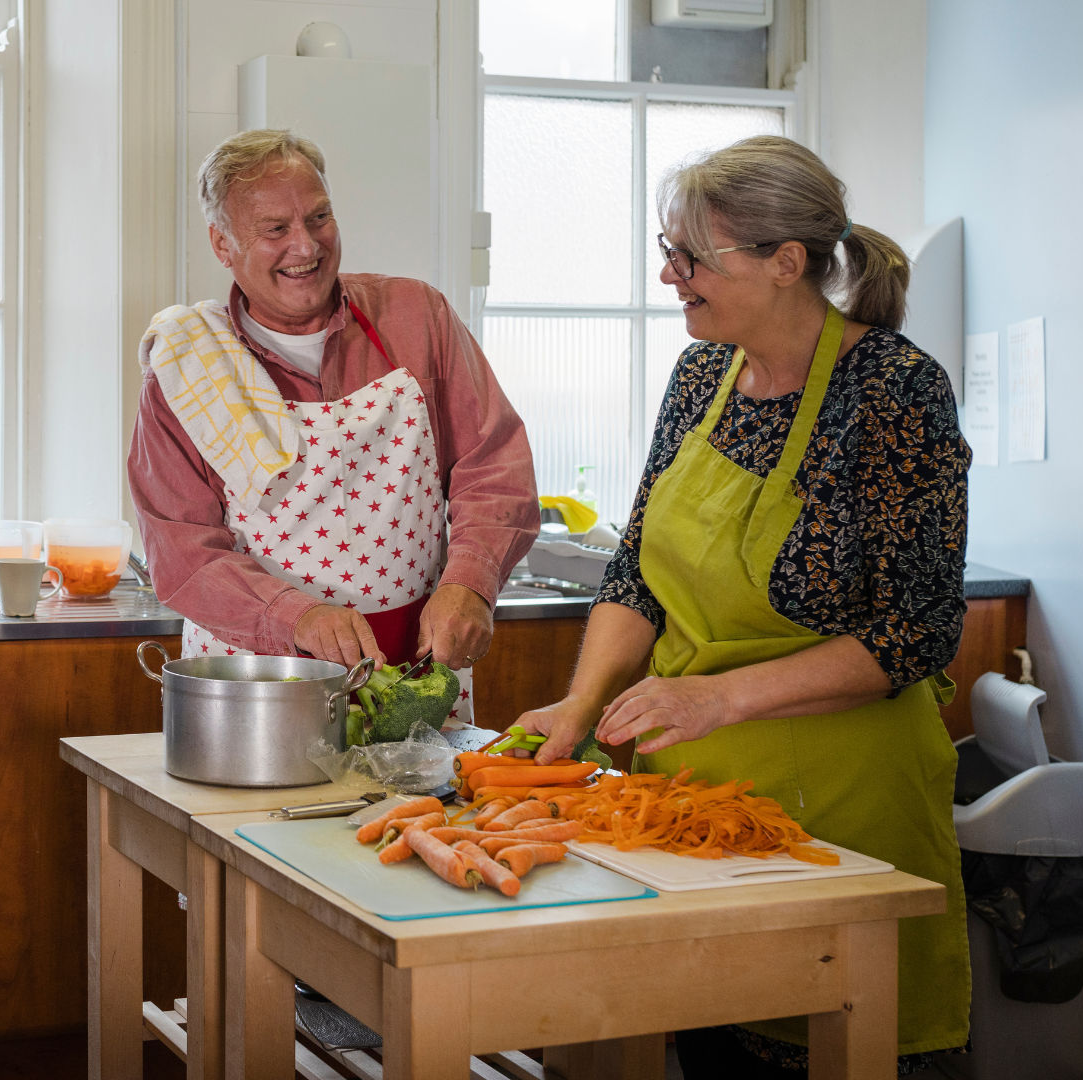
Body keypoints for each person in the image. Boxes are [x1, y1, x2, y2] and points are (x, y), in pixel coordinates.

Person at [520, 136, 971, 1077]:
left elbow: (914, 632)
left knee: (840, 1044)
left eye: (691, 256)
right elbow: (638, 571)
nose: (668, 274)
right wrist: (578, 703)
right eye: (668, 248)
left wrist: (715, 699)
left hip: (846, 807)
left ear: (785, 263)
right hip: (688, 803)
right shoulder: (701, 378)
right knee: (712, 1042)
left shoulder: (893, 391)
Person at [128, 129, 537, 710]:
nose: (306, 246)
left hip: (421, 669)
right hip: (261, 681)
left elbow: (494, 465)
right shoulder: (189, 369)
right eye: (275, 230)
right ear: (222, 244)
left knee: (425, 803)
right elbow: (182, 549)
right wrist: (296, 616)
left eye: (319, 218)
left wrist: (472, 580)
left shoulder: (418, 317)